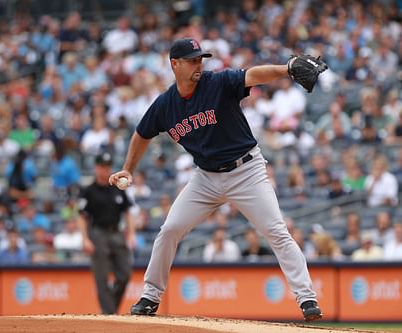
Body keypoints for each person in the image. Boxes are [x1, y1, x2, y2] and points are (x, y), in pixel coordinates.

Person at [109, 38, 324, 321]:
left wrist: (286, 68)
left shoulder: (217, 83)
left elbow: (254, 75)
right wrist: (128, 168)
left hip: (246, 171)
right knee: (170, 229)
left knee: (276, 231)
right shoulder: (165, 105)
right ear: (175, 64)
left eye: (201, 59)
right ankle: (150, 295)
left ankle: (306, 297)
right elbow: (142, 134)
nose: (199, 64)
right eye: (193, 59)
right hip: (206, 179)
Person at [78, 152, 135, 314]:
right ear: (96, 168)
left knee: (124, 274)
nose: (105, 170)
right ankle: (109, 314)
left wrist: (131, 234)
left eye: (108, 167)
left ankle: (111, 312)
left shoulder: (117, 189)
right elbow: (82, 216)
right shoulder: (88, 191)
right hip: (98, 233)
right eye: (103, 167)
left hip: (116, 233)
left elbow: (128, 212)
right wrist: (85, 239)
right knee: (101, 277)